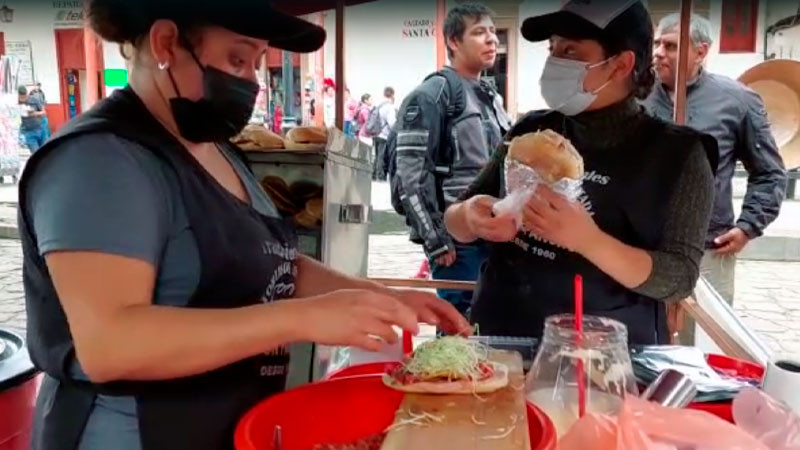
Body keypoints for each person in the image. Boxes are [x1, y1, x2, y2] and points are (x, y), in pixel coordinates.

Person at [19, 1, 470, 450]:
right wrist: (301, 319)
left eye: (256, 62)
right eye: (237, 58)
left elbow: (273, 266)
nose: (252, 81)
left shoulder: (217, 150)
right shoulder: (100, 162)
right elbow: (111, 344)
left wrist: (380, 297)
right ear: (166, 43)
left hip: (229, 425)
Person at [444, 0, 718, 345]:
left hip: (603, 359)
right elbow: (455, 217)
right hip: (500, 342)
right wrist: (470, 217)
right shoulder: (530, 130)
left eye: (570, 51)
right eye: (552, 49)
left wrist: (588, 240)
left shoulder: (679, 154)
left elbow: (678, 278)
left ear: (621, 64)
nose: (554, 62)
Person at [642, 13, 787, 310]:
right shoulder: (633, 97)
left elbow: (769, 172)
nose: (658, 53)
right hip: (640, 245)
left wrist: (749, 225)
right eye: (656, 44)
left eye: (670, 46)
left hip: (708, 244)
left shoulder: (737, 100)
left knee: (705, 340)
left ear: (701, 52)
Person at [391, 3, 511, 315]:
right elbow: (409, 175)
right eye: (478, 32)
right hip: (458, 245)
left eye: (492, 32)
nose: (491, 40)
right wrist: (435, 239)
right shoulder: (433, 94)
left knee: (488, 322)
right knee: (458, 325)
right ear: (454, 42)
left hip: (492, 236)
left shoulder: (490, 96)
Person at [372, 86, 396, 180]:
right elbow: (392, 123)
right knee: (382, 156)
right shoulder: (389, 107)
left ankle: (374, 174)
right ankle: (380, 175)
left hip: (376, 133)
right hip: (384, 135)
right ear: (392, 95)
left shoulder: (379, 104)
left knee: (377, 155)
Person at [17, 85, 48, 152]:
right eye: (21, 97)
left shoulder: (34, 99)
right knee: (36, 155)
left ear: (27, 94)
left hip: (40, 128)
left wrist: (34, 113)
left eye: (25, 97)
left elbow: (44, 112)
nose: (23, 99)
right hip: (28, 132)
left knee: (45, 152)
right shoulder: (16, 103)